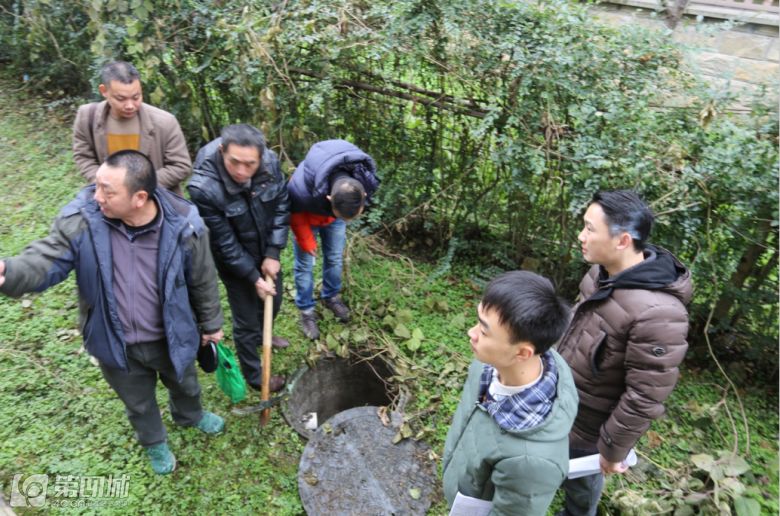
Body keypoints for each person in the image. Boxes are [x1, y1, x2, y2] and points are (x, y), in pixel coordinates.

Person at [0, 150, 225, 475]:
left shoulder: (184, 224)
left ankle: (190, 416)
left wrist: (211, 323)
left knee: (185, 384)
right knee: (138, 402)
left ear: (139, 198)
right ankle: (154, 443)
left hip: (171, 335)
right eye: (97, 186)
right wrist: (10, 272)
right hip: (114, 340)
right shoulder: (83, 220)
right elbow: (45, 259)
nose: (97, 196)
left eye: (108, 190)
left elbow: (203, 278)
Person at [557, 190, 692, 515]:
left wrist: (612, 451)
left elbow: (644, 396)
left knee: (580, 486)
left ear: (622, 240)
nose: (581, 235)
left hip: (587, 427)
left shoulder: (660, 314)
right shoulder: (601, 274)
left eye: (590, 228)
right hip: (560, 400)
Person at [442, 271, 578, 515]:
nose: (471, 333)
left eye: (484, 331)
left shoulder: (532, 463)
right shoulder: (490, 365)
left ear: (523, 353)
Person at [188, 124, 290, 393]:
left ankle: (262, 335)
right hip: (233, 260)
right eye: (235, 162)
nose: (242, 171)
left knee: (274, 300)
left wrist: (273, 252)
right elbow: (224, 242)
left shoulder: (269, 164)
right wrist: (253, 276)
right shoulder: (204, 187)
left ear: (261, 156)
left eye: (250, 164)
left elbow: (281, 205)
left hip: (264, 249)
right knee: (245, 317)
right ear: (222, 151)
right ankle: (257, 377)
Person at [287, 139, 379, 340]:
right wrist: (306, 240)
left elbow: (345, 212)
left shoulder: (364, 180)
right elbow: (294, 214)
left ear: (363, 194)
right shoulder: (300, 190)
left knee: (335, 258)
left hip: (331, 216)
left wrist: (338, 218)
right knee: (304, 265)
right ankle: (306, 310)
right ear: (329, 199)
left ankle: (331, 297)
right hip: (307, 216)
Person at [72, 61, 191, 194]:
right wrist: (103, 183)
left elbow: (181, 166)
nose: (130, 105)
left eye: (136, 97)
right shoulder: (87, 117)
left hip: (154, 201)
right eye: (121, 98)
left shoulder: (165, 122)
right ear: (104, 91)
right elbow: (83, 156)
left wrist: (139, 187)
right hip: (109, 200)